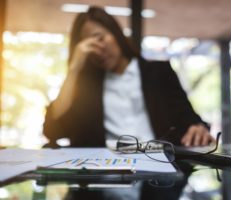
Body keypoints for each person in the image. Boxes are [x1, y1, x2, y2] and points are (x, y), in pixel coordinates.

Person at [43, 6, 215, 148]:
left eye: (99, 38)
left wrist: (197, 128)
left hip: (159, 174)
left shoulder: (159, 73)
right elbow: (52, 131)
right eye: (88, 46)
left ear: (115, 33)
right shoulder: (86, 87)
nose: (97, 50)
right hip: (104, 175)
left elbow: (188, 118)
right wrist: (74, 69)